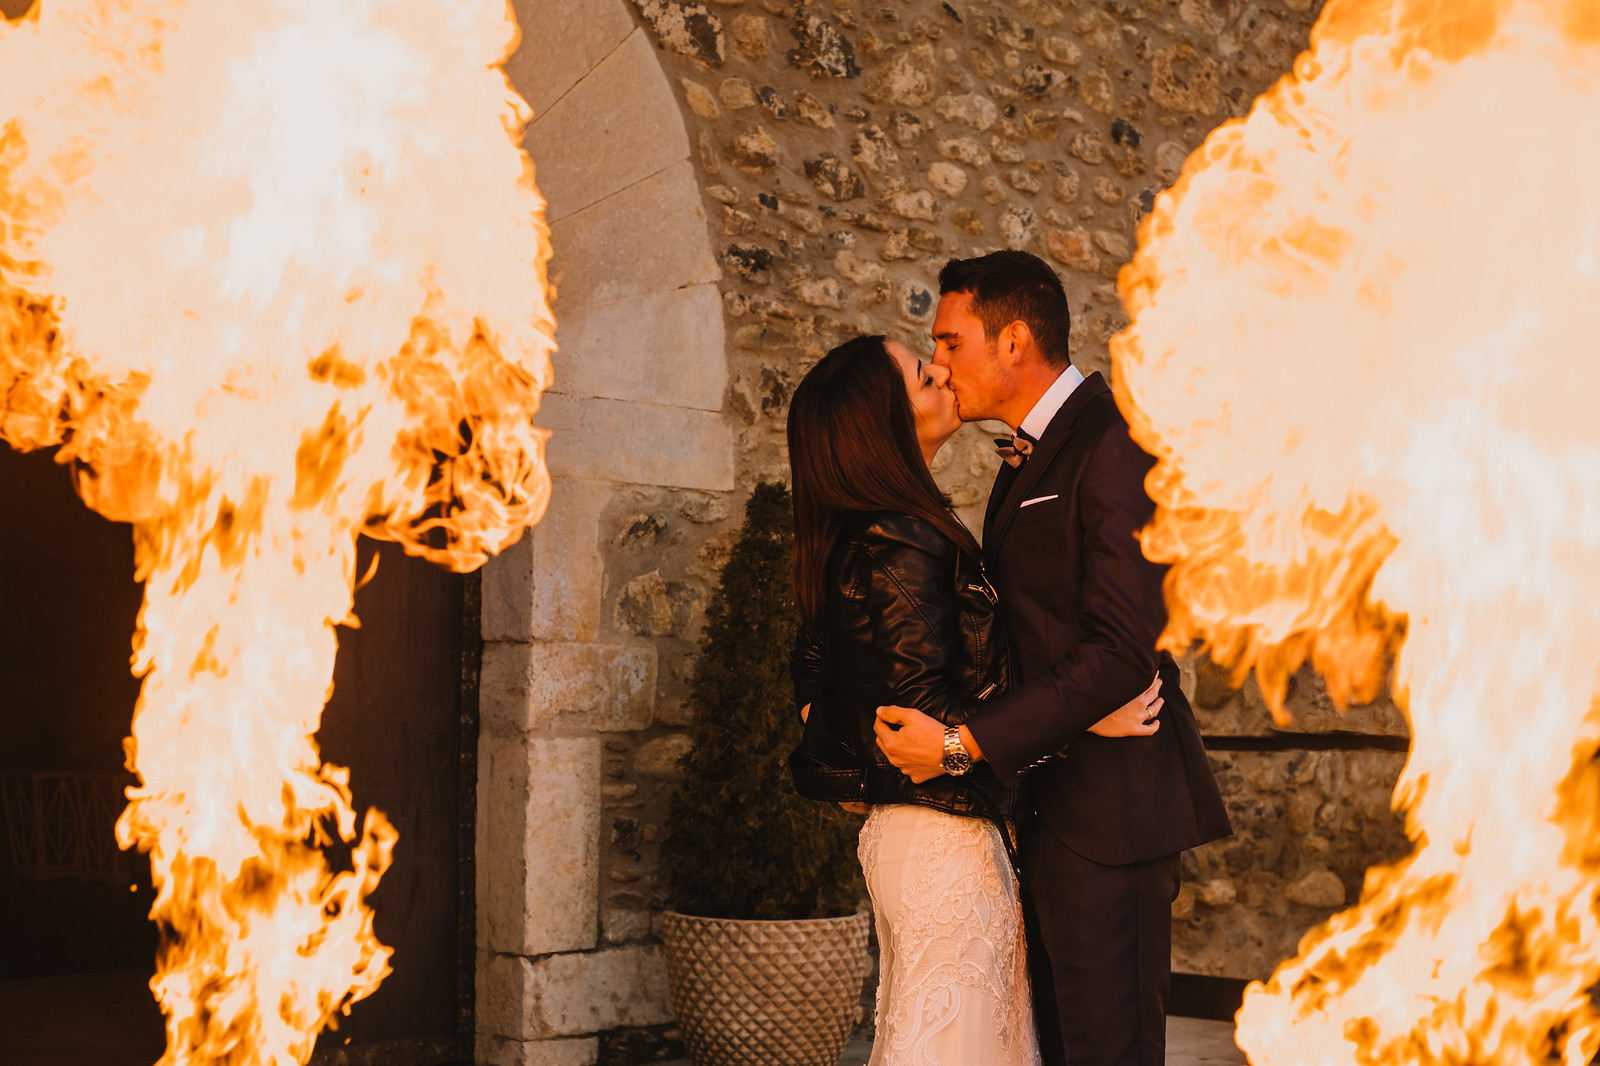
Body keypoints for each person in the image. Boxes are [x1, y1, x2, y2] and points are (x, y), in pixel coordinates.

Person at [873, 251, 1233, 1066]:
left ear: (1014, 342)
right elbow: (1034, 635)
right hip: (1047, 811)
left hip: (1110, 819)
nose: (939, 363)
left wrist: (962, 744)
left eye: (951, 342)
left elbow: (1121, 651)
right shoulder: (1031, 455)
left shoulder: (1115, 443)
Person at [786, 333, 1161, 1066]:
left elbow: (813, 661)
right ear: (884, 420)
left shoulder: (866, 531)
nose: (942, 372)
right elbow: (929, 715)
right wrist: (1081, 720)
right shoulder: (903, 538)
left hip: (918, 837)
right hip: (945, 844)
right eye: (922, 374)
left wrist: (852, 756)